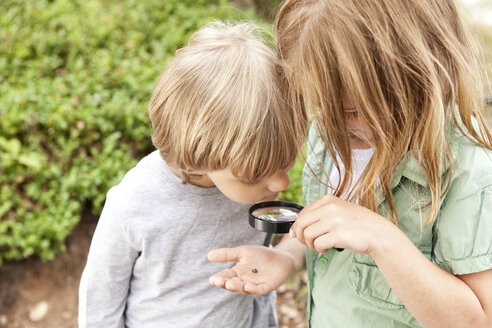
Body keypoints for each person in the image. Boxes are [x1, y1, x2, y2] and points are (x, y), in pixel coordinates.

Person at [208, 1, 492, 327]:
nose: (331, 125)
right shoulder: (334, 130)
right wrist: (287, 256)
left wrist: (383, 240)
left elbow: (479, 320)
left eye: (351, 112)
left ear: (416, 77)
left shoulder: (470, 174)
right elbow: (330, 227)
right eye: (319, 105)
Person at [78, 21, 307, 328]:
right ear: (201, 154)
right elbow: (100, 303)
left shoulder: (247, 183)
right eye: (258, 175)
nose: (282, 183)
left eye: (287, 162)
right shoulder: (133, 205)